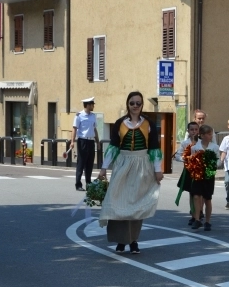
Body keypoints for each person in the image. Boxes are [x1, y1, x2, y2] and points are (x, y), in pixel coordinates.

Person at [98, 91, 163, 254]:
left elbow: (154, 148)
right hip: (123, 164)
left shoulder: (149, 124)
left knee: (136, 205)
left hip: (142, 165)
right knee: (117, 202)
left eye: (138, 103)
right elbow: (113, 147)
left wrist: (158, 170)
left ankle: (133, 240)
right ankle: (121, 240)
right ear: (128, 104)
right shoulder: (120, 123)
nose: (135, 106)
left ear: (142, 105)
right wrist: (104, 168)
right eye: (132, 103)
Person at [190, 125, 221, 231]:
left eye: (211, 134)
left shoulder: (214, 147)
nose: (210, 136)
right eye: (208, 134)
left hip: (208, 175)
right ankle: (197, 219)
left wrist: (212, 164)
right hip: (198, 175)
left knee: (207, 198)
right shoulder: (195, 147)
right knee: (196, 196)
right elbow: (192, 161)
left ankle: (208, 221)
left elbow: (218, 160)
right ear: (202, 135)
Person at [174, 121, 200, 225]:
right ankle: (193, 215)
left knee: (199, 194)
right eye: (192, 129)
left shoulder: (201, 142)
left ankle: (199, 213)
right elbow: (178, 155)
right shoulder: (185, 143)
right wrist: (185, 159)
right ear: (188, 131)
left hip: (200, 171)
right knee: (192, 193)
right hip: (189, 171)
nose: (194, 131)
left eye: (196, 129)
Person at [72, 96, 99, 191]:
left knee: (90, 163)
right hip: (82, 141)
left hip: (91, 141)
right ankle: (78, 184)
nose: (93, 106)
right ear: (88, 105)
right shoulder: (79, 115)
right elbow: (74, 129)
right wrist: (72, 141)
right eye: (92, 105)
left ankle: (88, 183)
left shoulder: (93, 116)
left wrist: (98, 142)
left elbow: (95, 129)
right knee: (81, 162)